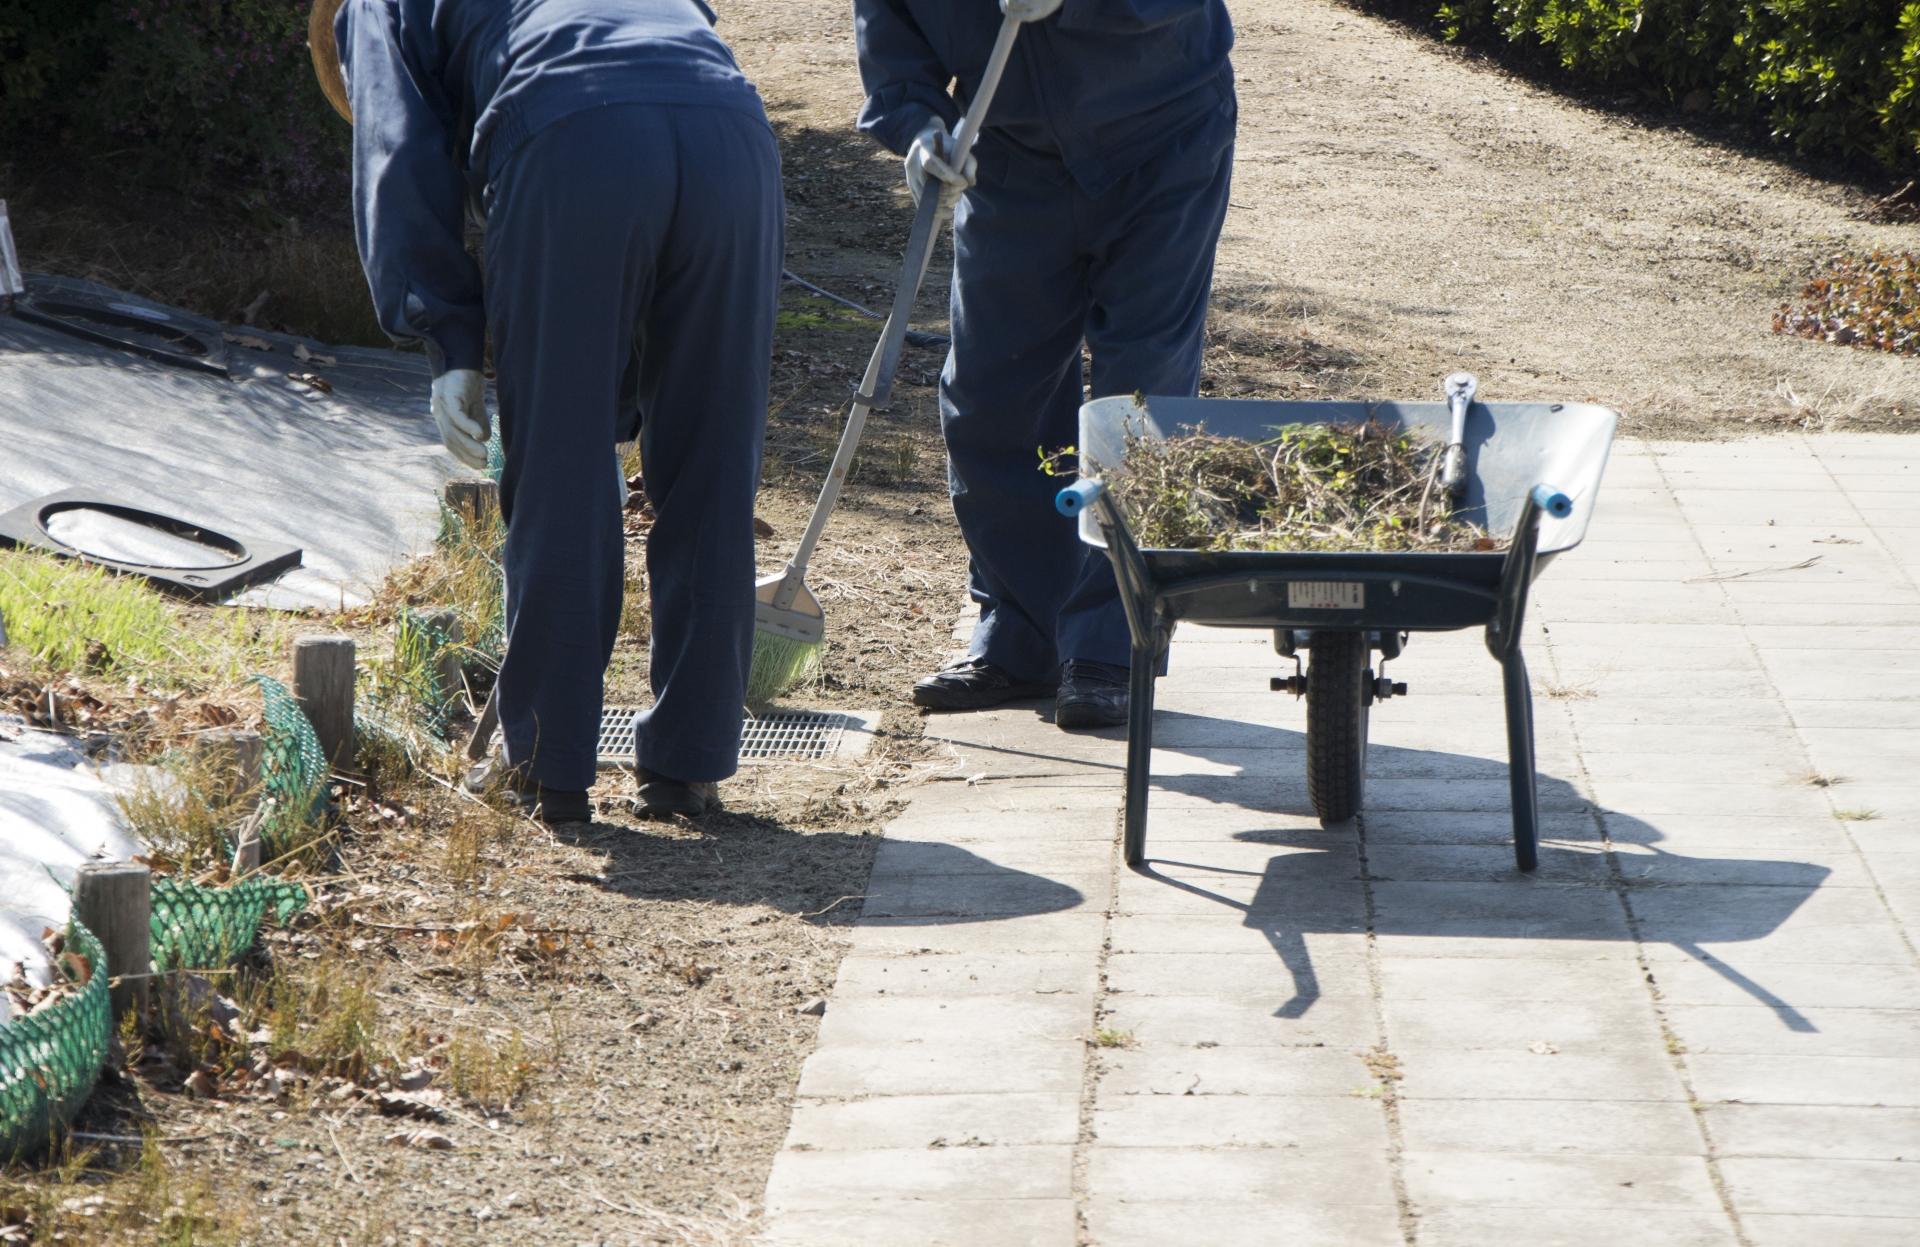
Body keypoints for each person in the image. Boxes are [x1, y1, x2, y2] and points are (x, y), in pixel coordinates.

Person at [309, 0, 784, 821]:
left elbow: (400, 153)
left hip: (573, 136)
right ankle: (689, 762)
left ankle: (546, 761)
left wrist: (448, 339)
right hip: (731, 129)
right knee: (712, 451)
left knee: (562, 457)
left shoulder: (371, 7)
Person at [855, 0, 1237, 730]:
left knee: (1139, 393)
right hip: (1007, 155)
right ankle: (1021, 633)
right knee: (991, 391)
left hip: (1164, 136)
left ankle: (1112, 642)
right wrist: (919, 126)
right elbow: (893, 31)